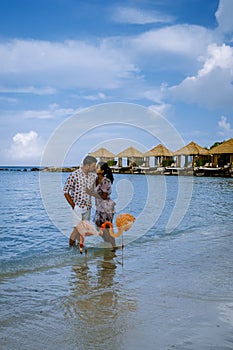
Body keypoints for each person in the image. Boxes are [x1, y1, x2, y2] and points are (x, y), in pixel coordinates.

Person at [63, 155, 97, 247]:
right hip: (78, 207)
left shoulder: (92, 177)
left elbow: (93, 191)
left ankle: (79, 251)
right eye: (93, 166)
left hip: (88, 208)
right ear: (87, 165)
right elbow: (65, 191)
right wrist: (73, 206)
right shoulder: (74, 175)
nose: (95, 168)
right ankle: (70, 251)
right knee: (76, 230)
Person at [86, 162, 116, 248]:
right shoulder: (95, 180)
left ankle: (114, 247)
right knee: (101, 230)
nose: (96, 168)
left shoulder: (106, 181)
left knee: (107, 230)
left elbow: (104, 196)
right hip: (99, 208)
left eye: (98, 167)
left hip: (107, 209)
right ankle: (109, 248)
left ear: (102, 171)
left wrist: (91, 193)